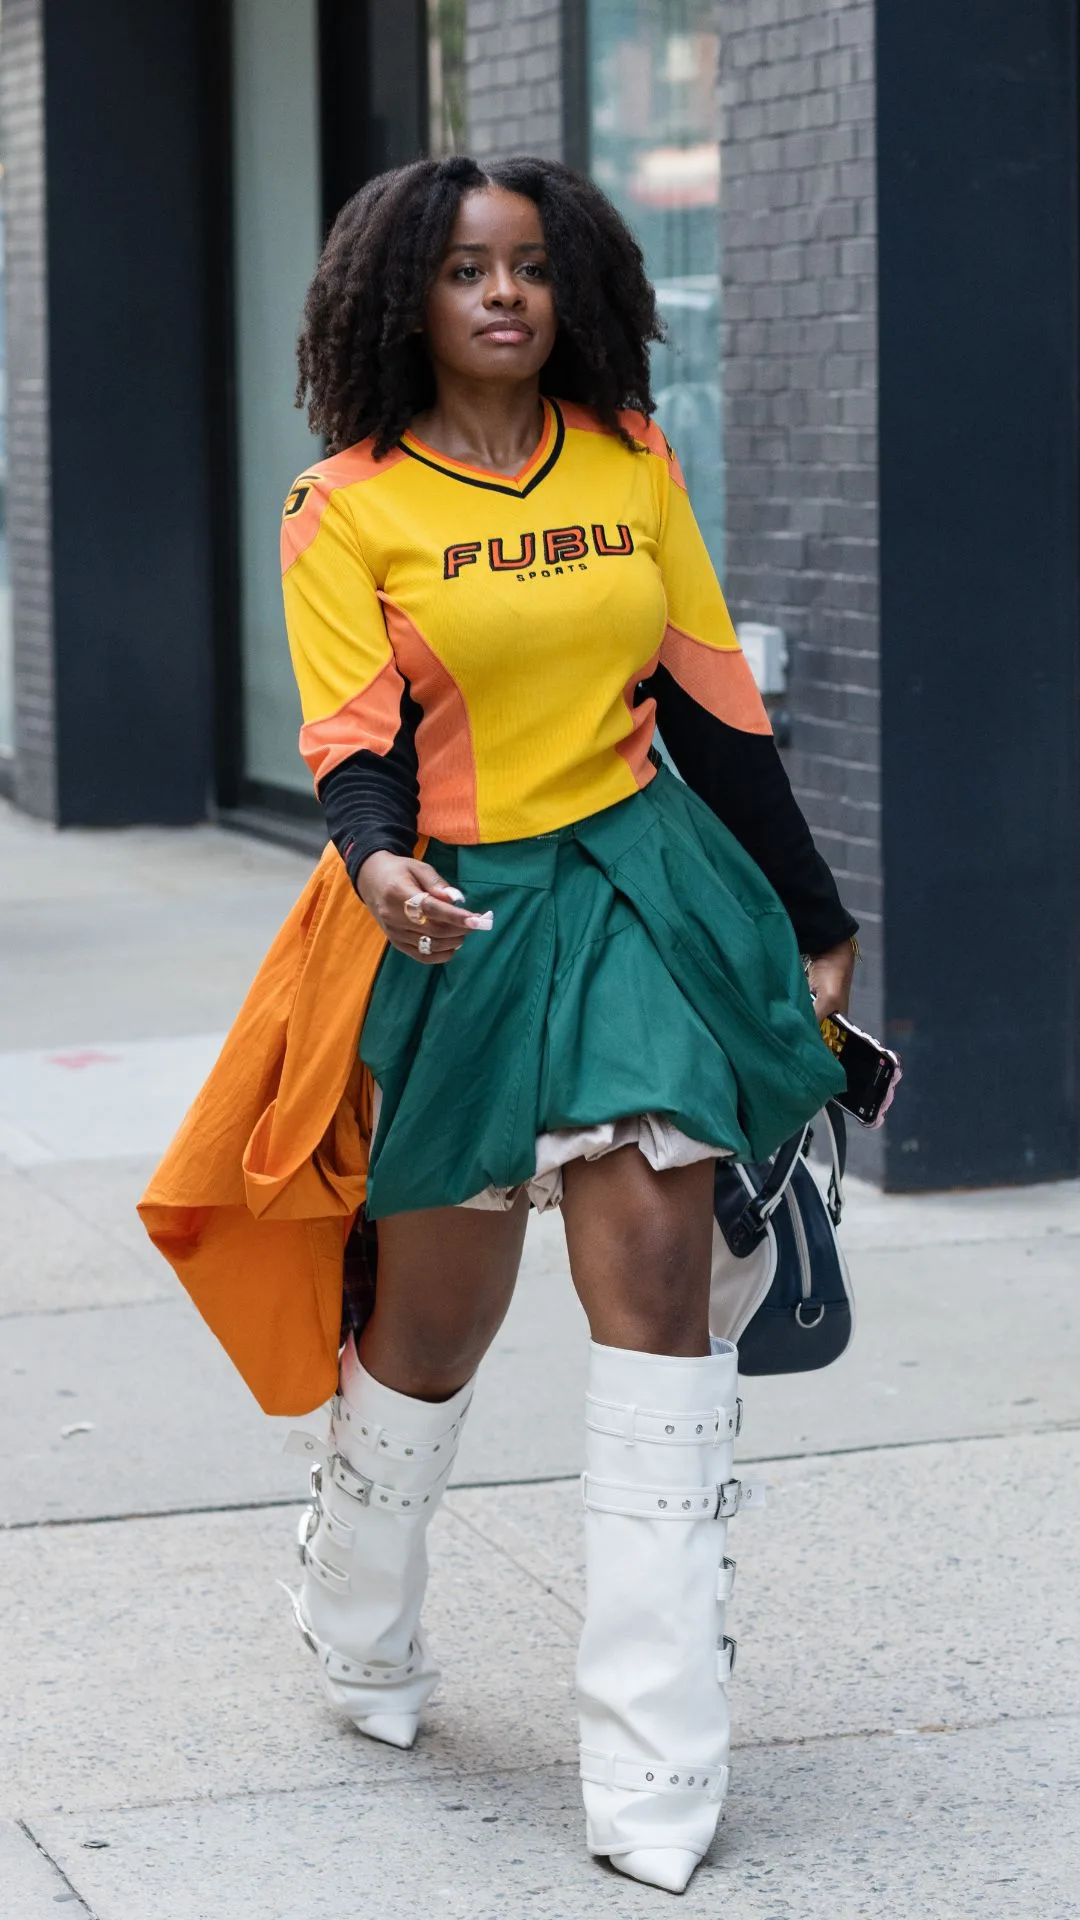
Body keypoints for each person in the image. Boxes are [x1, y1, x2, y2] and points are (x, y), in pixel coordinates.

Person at [280, 153, 856, 1896]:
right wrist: (383, 871)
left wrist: (817, 915)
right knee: (437, 1326)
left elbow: (713, 700)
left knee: (658, 1295)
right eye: (467, 270)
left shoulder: (631, 460)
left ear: (575, 285)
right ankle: (356, 1602)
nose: (505, 295)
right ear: (409, 299)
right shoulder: (344, 507)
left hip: (639, 891)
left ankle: (659, 1753)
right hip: (461, 922)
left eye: (531, 266)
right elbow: (351, 743)